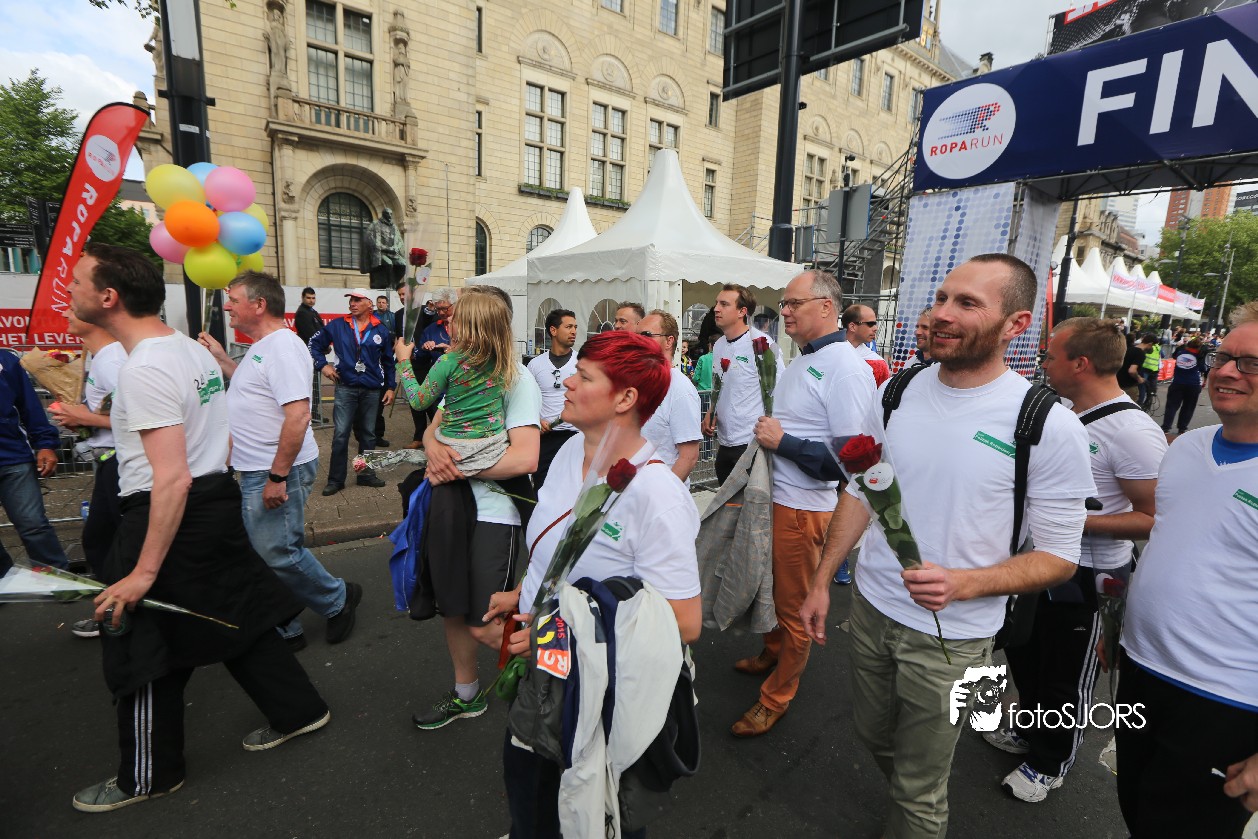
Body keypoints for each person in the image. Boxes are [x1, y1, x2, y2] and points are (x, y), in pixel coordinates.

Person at [800, 254, 1095, 838]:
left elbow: (1060, 557)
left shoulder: (1047, 423)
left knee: (919, 789)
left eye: (967, 303)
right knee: (872, 735)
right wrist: (821, 579)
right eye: (941, 298)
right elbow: (864, 488)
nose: (942, 314)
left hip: (955, 638)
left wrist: (964, 584)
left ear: (1015, 324)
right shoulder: (899, 389)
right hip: (872, 609)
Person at [68, 243, 329, 813]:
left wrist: (143, 572)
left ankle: (149, 775)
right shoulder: (187, 349)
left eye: (77, 283)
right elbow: (220, 430)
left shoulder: (146, 367)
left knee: (139, 641)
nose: (70, 291)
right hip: (212, 502)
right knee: (236, 615)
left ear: (109, 297)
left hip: (172, 512)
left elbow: (171, 478)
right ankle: (299, 709)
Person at [485, 330, 701, 836]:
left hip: (595, 689)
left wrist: (553, 633)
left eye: (583, 376)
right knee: (530, 785)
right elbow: (563, 552)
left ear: (625, 399)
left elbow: (684, 622)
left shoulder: (657, 495)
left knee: (587, 800)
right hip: (544, 668)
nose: (567, 382)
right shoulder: (568, 453)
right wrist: (525, 592)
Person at [993, 317, 1165, 802]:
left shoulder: (1133, 432)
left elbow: (1155, 518)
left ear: (1080, 364)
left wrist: (1075, 522)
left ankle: (1051, 763)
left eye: (1051, 356)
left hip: (1093, 576)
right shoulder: (1062, 411)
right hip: (1041, 562)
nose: (1043, 363)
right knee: (1026, 652)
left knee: (1067, 674)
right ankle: (1030, 731)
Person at [1116, 302, 1258, 836]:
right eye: (1224, 357)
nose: (1226, 371)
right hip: (1141, 669)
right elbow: (1173, 542)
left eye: (1251, 363)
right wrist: (1121, 625)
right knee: (1136, 809)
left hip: (1225, 700)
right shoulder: (1187, 447)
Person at [731, 270, 876, 737]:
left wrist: (784, 442)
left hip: (803, 510)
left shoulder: (846, 369)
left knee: (796, 610)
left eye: (794, 303)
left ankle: (776, 696)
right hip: (775, 500)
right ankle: (773, 654)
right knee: (772, 592)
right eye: (785, 304)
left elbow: (853, 462)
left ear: (826, 307)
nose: (785, 311)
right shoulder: (805, 359)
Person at [198, 271, 362, 653]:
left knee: (278, 552)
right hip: (259, 468)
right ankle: (286, 624)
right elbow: (256, 389)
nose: (228, 307)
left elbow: (298, 416)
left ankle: (338, 599)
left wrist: (277, 477)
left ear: (259, 304)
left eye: (234, 300)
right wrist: (222, 359)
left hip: (274, 470)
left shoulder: (283, 346)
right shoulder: (264, 346)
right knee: (265, 551)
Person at [410, 284, 542, 730]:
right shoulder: (462, 365)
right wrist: (433, 450)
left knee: (485, 622)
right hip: (452, 506)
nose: (449, 322)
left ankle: (558, 677)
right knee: (453, 607)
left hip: (494, 512)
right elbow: (434, 426)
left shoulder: (517, 378)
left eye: (460, 315)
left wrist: (456, 468)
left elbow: (526, 458)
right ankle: (467, 696)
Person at [50, 311, 127, 637]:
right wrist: (81, 419)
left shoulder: (113, 360)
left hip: (122, 464)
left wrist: (82, 419)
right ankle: (114, 611)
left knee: (115, 544)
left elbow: (137, 416)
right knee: (99, 541)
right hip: (109, 462)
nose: (66, 312)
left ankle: (126, 615)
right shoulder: (100, 357)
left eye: (74, 304)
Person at [393, 291, 515, 477]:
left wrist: (403, 361)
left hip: (455, 450)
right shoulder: (502, 358)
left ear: (469, 327)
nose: (448, 320)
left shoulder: (448, 361)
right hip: (493, 448)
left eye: (455, 318)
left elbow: (418, 401)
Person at [309, 288, 396, 495]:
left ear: (369, 304)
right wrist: (323, 365)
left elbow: (388, 362)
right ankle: (336, 479)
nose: (352, 303)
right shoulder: (338, 325)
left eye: (357, 300)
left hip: (371, 389)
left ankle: (365, 474)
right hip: (345, 387)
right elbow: (314, 344)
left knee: (368, 434)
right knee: (341, 435)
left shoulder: (381, 329)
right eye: (351, 300)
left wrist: (391, 387)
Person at [702, 284, 785, 485]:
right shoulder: (719, 345)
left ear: (742, 311)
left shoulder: (763, 344)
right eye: (716, 303)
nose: (716, 309)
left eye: (724, 304)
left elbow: (781, 391)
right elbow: (721, 385)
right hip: (724, 443)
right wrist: (711, 411)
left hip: (751, 445)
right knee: (726, 503)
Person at [0, 347, 69, 570]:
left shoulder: (5, 360)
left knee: (34, 526)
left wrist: (45, 444)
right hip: (14, 459)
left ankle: (58, 580)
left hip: (14, 459)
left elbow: (29, 406)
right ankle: (5, 581)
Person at [637, 310, 702, 484]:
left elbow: (688, 457)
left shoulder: (680, 389)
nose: (638, 341)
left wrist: (662, 494)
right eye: (636, 336)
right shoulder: (637, 383)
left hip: (660, 493)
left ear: (669, 341)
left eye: (646, 335)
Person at [526, 308, 579, 490]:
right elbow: (527, 400)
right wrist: (536, 420)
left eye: (575, 327)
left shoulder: (581, 362)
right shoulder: (535, 364)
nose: (574, 331)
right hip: (545, 437)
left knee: (571, 487)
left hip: (574, 435)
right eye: (569, 327)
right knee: (542, 487)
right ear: (553, 330)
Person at [1161, 336, 1207, 435]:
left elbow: (1174, 356)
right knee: (1188, 407)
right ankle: (1182, 428)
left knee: (1172, 406)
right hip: (1193, 384)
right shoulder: (1199, 356)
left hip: (1178, 382)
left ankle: (1166, 427)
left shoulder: (1180, 352)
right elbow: (1203, 368)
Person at [842, 304, 891, 385]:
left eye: (875, 324)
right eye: (870, 324)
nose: (875, 328)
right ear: (852, 327)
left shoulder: (878, 364)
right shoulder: (829, 352)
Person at [1116, 332, 1146, 402]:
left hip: (1117, 382)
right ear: (1134, 340)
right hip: (1129, 385)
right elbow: (1132, 371)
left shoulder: (1120, 349)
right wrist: (1139, 378)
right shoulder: (1138, 352)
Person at [1139, 332, 1162, 410]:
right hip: (1154, 370)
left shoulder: (1148, 347)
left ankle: (1140, 404)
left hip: (1145, 368)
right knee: (1151, 389)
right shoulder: (1158, 347)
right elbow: (1162, 355)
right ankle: (1147, 405)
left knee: (1142, 387)